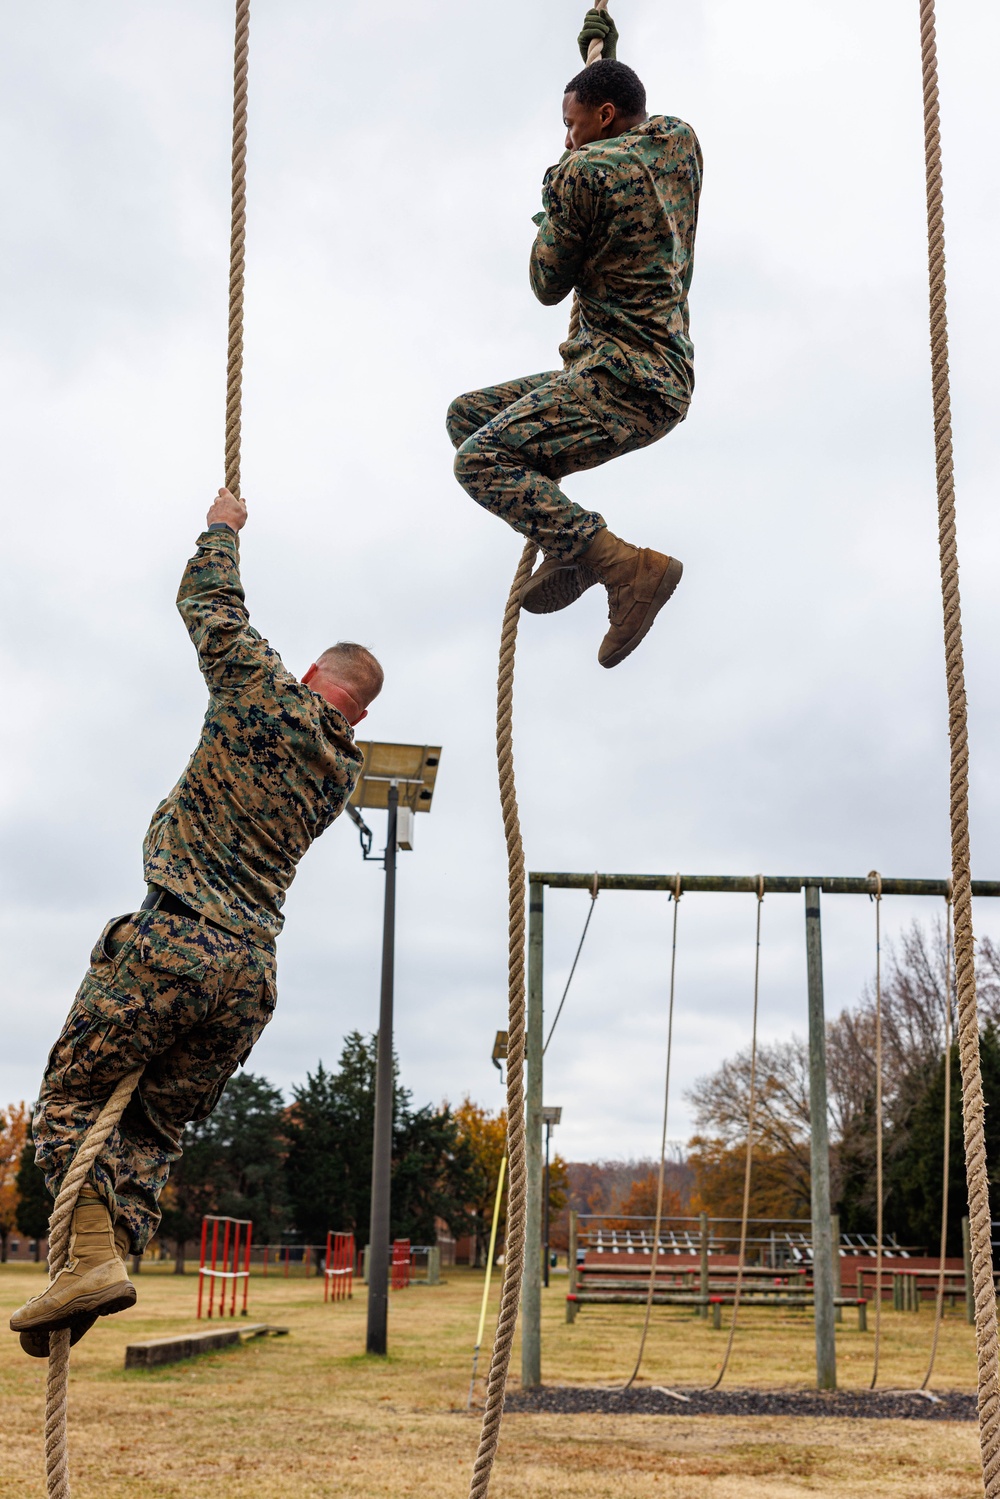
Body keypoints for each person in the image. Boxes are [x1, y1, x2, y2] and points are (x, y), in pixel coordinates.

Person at [10, 488, 382, 1356]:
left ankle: (89, 1260)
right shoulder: (341, 775)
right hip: (250, 977)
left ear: (311, 679)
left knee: (69, 1099)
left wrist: (224, 527)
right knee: (148, 1132)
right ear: (358, 714)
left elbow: (207, 604)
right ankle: (94, 1277)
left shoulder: (263, 693)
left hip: (178, 939)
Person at [447, 24, 703, 669]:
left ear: (604, 116)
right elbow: (625, 115)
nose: (567, 136)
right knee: (467, 416)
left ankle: (623, 568)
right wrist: (602, 61)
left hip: (624, 380)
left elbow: (545, 283)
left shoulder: (581, 174)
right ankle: (571, 544)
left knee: (479, 462)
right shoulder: (679, 142)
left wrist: (552, 197)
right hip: (652, 372)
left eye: (572, 122)